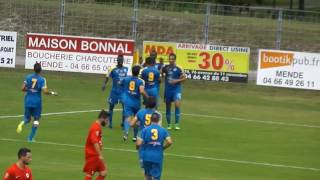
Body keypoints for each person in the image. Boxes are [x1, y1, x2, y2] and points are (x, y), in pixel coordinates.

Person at [16, 62, 57, 142]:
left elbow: (22, 88)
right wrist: (52, 93)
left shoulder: (28, 77)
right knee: (36, 120)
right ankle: (30, 138)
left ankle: (21, 123)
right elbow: (44, 91)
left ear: (33, 69)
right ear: (40, 70)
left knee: (27, 118)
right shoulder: (42, 79)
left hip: (28, 100)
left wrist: (29, 89)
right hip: (36, 102)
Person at [136, 112, 173, 180]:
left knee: (147, 176)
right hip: (157, 156)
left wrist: (138, 149)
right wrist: (163, 148)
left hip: (146, 156)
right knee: (156, 177)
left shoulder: (145, 130)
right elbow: (170, 142)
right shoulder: (163, 130)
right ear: (158, 119)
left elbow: (138, 143)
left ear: (150, 119)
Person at [130, 97, 160, 169]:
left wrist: (137, 125)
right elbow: (159, 127)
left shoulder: (140, 112)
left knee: (140, 147)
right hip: (153, 136)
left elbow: (131, 124)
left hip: (142, 135)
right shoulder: (156, 114)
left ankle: (142, 160)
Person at [122, 65, 149, 142]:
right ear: (138, 72)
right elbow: (141, 91)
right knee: (137, 119)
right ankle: (134, 137)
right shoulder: (140, 81)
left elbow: (120, 83)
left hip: (127, 102)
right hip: (136, 102)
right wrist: (147, 97)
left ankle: (126, 132)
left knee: (127, 118)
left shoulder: (126, 79)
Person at [102, 54, 128, 129]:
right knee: (111, 107)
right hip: (114, 91)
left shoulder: (126, 69)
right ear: (117, 60)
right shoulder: (112, 69)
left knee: (125, 107)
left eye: (122, 60)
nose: (121, 61)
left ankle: (123, 123)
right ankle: (110, 123)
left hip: (123, 92)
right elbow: (107, 77)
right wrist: (104, 84)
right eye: (119, 59)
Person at [83, 110, 109, 180]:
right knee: (89, 174)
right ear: (102, 118)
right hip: (93, 155)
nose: (107, 122)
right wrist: (100, 154)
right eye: (106, 120)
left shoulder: (97, 126)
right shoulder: (95, 128)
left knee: (104, 172)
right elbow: (94, 141)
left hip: (95, 155)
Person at [162, 53, 186, 130]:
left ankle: (176, 124)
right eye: (170, 59)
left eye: (172, 59)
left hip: (176, 89)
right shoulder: (166, 67)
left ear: (175, 60)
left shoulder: (179, 68)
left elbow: (184, 78)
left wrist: (177, 80)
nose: (171, 60)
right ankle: (169, 124)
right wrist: (161, 74)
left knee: (177, 104)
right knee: (168, 107)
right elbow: (161, 73)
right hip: (168, 90)